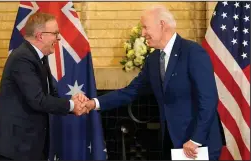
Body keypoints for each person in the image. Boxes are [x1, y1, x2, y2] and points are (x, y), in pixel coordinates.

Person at [82, 5, 225, 160]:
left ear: (162, 25)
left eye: (145, 27)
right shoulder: (153, 59)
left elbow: (208, 99)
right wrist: (93, 103)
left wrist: (196, 139)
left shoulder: (192, 52)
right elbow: (131, 91)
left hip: (198, 144)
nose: (143, 33)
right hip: (171, 142)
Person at [0, 12, 88, 160]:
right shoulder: (23, 58)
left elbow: (49, 97)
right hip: (12, 146)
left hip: (27, 146)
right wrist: (71, 105)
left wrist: (73, 101)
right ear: (40, 36)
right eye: (55, 33)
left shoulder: (39, 58)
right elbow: (38, 100)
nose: (58, 38)